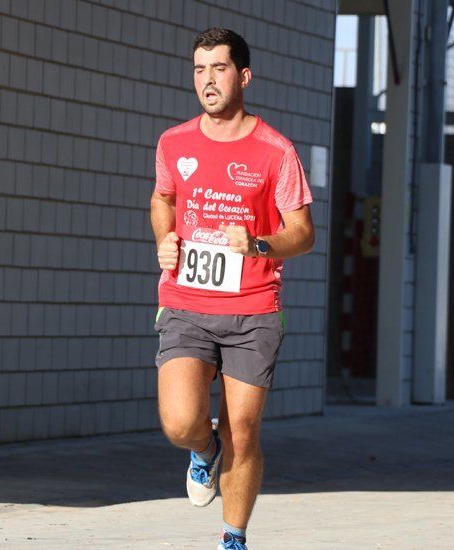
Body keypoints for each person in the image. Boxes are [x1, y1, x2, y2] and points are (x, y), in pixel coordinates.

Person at [150, 28, 314, 550]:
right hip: (186, 303)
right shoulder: (174, 142)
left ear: (243, 76)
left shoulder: (276, 150)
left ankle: (233, 538)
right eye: (199, 69)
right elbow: (163, 199)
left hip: (253, 310)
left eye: (218, 68)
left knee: (244, 434)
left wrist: (259, 246)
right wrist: (165, 239)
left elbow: (303, 234)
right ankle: (202, 450)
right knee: (180, 423)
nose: (207, 80)